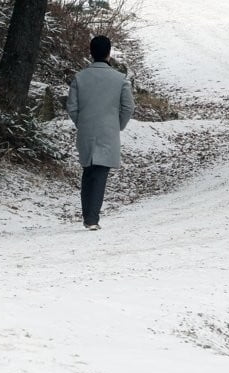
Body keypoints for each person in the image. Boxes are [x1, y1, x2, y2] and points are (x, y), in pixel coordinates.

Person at [66, 35, 135, 230]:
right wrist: (117, 125)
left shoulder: (80, 78)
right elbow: (128, 107)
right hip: (108, 131)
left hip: (86, 130)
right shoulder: (119, 79)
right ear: (109, 52)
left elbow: (72, 107)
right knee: (100, 173)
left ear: (91, 52)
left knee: (88, 172)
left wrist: (82, 122)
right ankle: (92, 218)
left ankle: (88, 215)